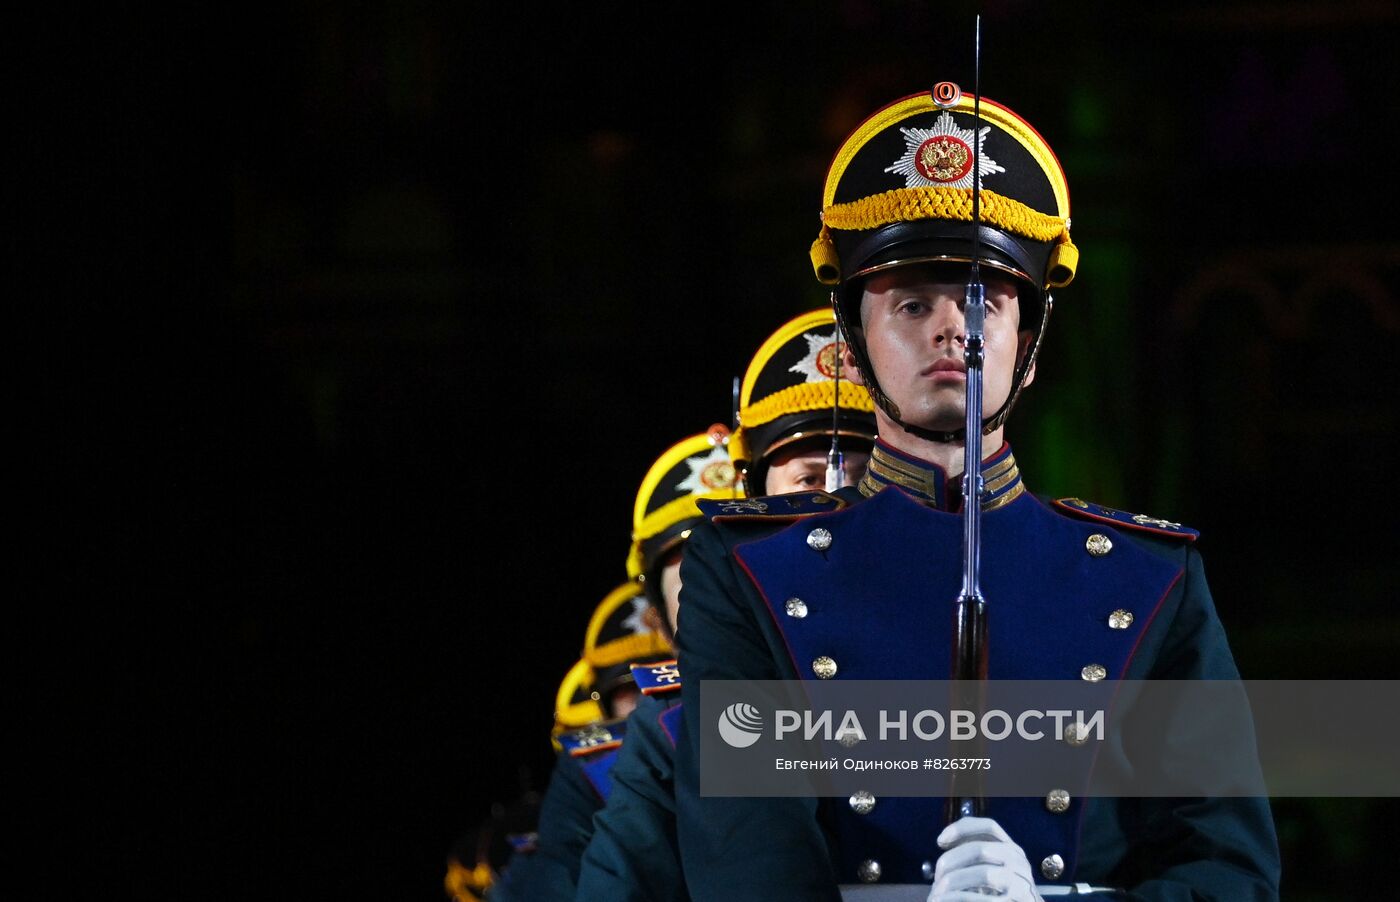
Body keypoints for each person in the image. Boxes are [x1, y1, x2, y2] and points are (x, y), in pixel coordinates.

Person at [672, 86, 1281, 900]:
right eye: (912, 303)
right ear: (851, 346)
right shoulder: (749, 569)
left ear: (1027, 345)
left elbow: (1231, 873)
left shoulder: (1154, 578)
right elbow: (746, 868)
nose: (952, 328)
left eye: (982, 302)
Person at [574, 314, 879, 900]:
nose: (835, 506)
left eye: (866, 480)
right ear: (754, 507)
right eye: (807, 479)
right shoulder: (672, 730)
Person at [491, 428, 740, 901]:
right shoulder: (611, 765)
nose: (723, 594)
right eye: (693, 576)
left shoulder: (892, 701)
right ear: (661, 623)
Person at [488, 581, 671, 901]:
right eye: (632, 691)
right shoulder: (589, 770)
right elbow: (559, 866)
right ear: (603, 704)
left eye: (672, 684)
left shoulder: (749, 718)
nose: (654, 703)